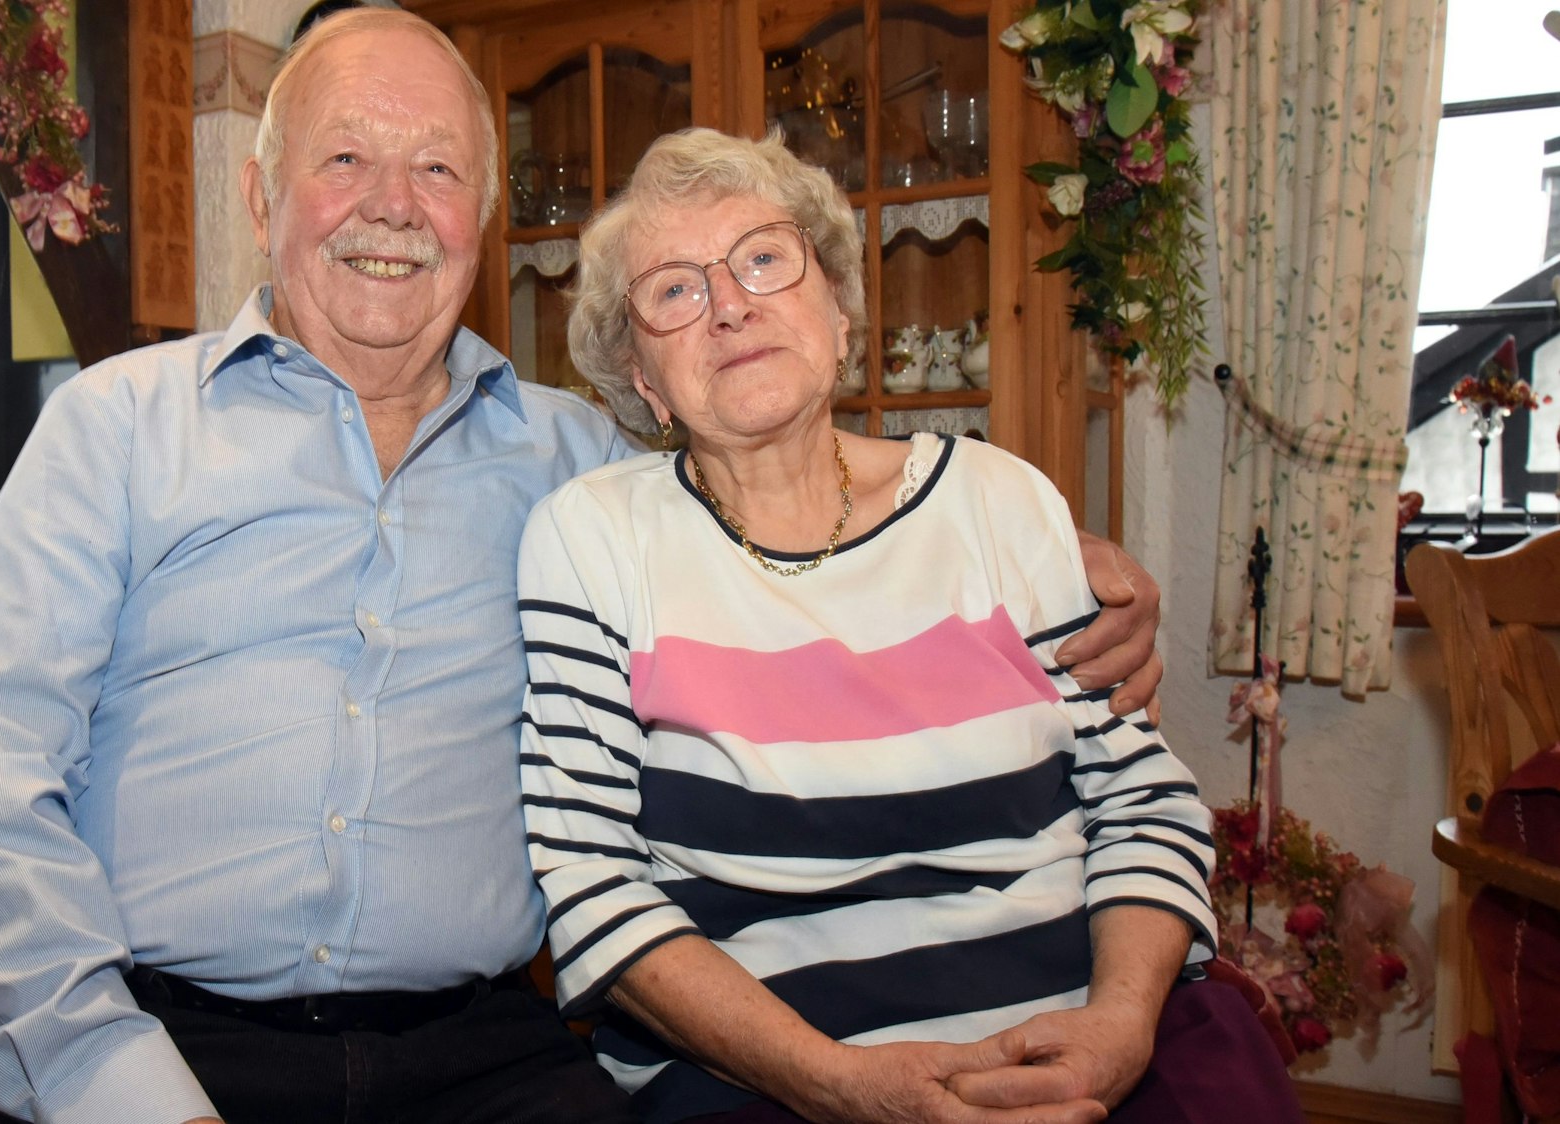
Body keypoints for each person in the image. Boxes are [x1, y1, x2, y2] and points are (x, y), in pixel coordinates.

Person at [0, 11, 1168, 1124]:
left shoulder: (586, 468)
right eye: (346, 159)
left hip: (476, 1058)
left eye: (437, 167)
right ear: (261, 194)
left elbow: (783, 491)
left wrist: (1058, 561)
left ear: (483, 214)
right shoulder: (115, 428)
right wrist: (124, 1087)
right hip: (160, 1035)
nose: (393, 204)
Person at [517, 128, 1302, 1124]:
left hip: (1076, 1030)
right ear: (642, 378)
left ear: (840, 312)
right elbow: (590, 879)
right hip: (765, 1074)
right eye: (674, 290)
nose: (730, 304)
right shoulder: (594, 538)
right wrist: (834, 1082)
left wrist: (1118, 1023)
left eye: (765, 258)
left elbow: (1142, 802)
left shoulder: (999, 499)